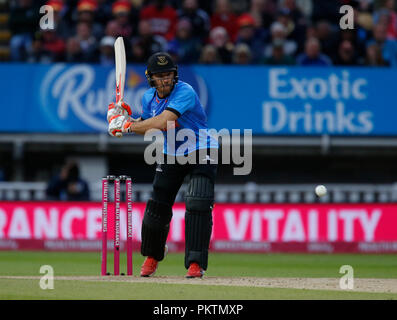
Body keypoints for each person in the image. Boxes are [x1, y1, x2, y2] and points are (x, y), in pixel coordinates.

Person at [107, 52, 218, 278]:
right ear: (151, 79)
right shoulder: (148, 98)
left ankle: (196, 263)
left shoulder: (185, 91)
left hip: (202, 149)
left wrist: (126, 126)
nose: (165, 80)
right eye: (160, 76)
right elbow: (149, 125)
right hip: (171, 153)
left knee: (197, 201)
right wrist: (123, 119)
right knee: (157, 205)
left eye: (168, 75)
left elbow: (162, 121)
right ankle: (153, 255)